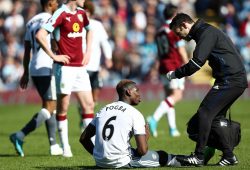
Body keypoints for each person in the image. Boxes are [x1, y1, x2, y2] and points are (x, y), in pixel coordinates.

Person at [167, 13, 248, 166]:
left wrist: (175, 74)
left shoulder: (206, 33)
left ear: (185, 25)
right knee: (213, 119)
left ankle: (198, 156)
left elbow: (196, 64)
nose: (180, 37)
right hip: (232, 79)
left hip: (231, 80)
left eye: (179, 33)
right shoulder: (204, 31)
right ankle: (229, 156)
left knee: (204, 113)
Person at [79, 79, 187, 168]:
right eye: (137, 91)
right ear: (129, 92)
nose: (139, 95)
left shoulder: (103, 109)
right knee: (162, 156)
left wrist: (98, 155)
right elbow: (142, 151)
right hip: (121, 162)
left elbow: (83, 138)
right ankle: (190, 161)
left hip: (100, 162)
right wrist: (146, 137)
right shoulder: (134, 114)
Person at [36, 0, 95, 157]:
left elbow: (90, 30)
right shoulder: (60, 13)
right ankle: (66, 147)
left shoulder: (81, 13)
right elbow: (40, 35)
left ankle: (93, 146)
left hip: (80, 68)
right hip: (65, 68)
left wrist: (88, 51)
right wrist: (54, 56)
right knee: (63, 107)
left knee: (89, 105)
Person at [9, 0, 63, 157]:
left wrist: (25, 72)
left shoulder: (31, 21)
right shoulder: (52, 19)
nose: (58, 5)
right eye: (56, 3)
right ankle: (19, 135)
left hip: (34, 67)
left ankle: (53, 145)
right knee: (50, 107)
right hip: (46, 66)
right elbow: (54, 43)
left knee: (48, 106)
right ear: (50, 3)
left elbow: (27, 50)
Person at [147, 4, 189, 138]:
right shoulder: (174, 30)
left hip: (163, 66)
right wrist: (188, 66)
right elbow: (181, 49)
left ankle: (173, 129)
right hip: (174, 65)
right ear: (175, 15)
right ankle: (153, 119)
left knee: (168, 98)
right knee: (177, 96)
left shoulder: (159, 31)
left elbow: (159, 52)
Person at [83, 0, 113, 103]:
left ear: (91, 12)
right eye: (83, 10)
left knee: (95, 96)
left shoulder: (97, 25)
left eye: (87, 10)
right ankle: (85, 115)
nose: (85, 13)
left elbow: (105, 43)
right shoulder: (76, 25)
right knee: (84, 95)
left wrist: (108, 58)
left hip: (95, 65)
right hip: (81, 66)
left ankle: (88, 112)